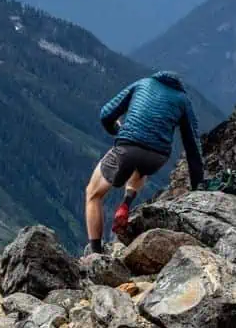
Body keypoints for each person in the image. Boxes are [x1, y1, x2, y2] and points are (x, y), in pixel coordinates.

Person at [83, 71, 205, 255]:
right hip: (157, 157)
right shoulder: (183, 100)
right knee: (140, 168)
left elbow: (106, 114)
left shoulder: (142, 83)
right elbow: (192, 146)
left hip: (128, 148)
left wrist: (118, 131)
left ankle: (95, 254)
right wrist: (198, 187)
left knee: (93, 194)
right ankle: (125, 204)